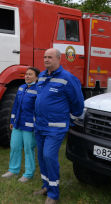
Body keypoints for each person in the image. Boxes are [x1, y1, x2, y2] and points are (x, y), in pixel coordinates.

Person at [33, 48, 84, 204]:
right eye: (45, 57)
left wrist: (70, 119)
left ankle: (54, 195)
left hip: (56, 126)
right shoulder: (41, 76)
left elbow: (78, 103)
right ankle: (46, 186)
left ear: (58, 59)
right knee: (41, 156)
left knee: (49, 155)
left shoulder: (68, 78)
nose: (46, 59)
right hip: (40, 125)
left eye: (50, 57)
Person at [1, 67, 40, 182]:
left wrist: (35, 124)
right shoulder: (21, 88)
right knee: (15, 147)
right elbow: (16, 106)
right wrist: (12, 121)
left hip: (29, 126)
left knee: (28, 148)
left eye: (30, 74)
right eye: (26, 74)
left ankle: (28, 174)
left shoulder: (39, 90)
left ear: (36, 77)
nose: (27, 76)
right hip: (18, 124)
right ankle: (13, 170)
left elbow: (39, 110)